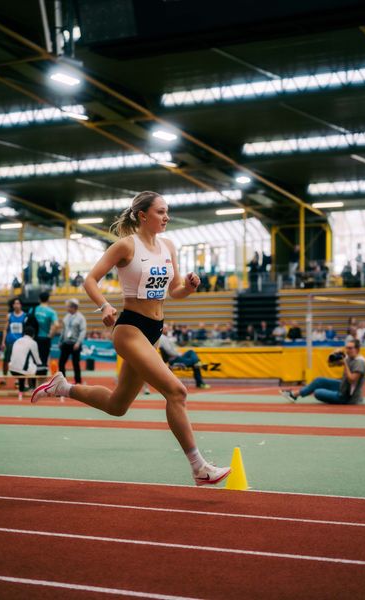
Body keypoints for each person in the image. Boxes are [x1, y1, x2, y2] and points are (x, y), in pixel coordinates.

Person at [31, 190, 230, 486]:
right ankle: (199, 467)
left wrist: (189, 287)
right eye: (161, 211)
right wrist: (105, 306)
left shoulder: (168, 246)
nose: (167, 217)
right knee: (177, 392)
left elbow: (174, 290)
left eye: (167, 211)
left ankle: (63, 387)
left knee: (117, 405)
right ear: (143, 215)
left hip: (154, 332)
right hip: (130, 329)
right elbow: (90, 280)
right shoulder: (126, 246)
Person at [281, 339, 365, 405]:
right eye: (347, 348)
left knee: (318, 392)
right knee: (319, 381)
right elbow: (330, 364)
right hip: (343, 387)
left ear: (357, 349)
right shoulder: (349, 357)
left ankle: (294, 395)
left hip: (348, 397)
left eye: (350, 348)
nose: (347, 350)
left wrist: (344, 363)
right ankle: (294, 395)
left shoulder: (359, 362)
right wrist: (333, 354)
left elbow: (352, 379)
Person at [159, 324, 210, 389]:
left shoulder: (166, 337)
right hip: (174, 359)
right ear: (162, 329)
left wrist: (178, 353)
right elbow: (169, 351)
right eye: (165, 328)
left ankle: (197, 362)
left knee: (190, 352)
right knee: (195, 363)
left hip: (176, 357)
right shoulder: (162, 338)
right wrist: (178, 354)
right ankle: (199, 382)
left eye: (167, 328)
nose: (167, 330)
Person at [9, 326, 47, 399]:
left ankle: (22, 389)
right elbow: (37, 360)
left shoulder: (17, 340)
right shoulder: (32, 342)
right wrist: (44, 366)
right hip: (23, 371)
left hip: (12, 370)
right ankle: (34, 388)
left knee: (26, 366)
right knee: (42, 368)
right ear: (33, 335)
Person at [58, 299, 86, 384]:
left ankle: (78, 381)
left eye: (68, 306)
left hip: (75, 344)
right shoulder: (66, 317)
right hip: (66, 343)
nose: (67, 308)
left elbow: (83, 331)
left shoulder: (81, 318)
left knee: (75, 364)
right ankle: (63, 382)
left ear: (73, 307)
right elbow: (63, 330)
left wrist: (78, 343)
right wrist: (60, 341)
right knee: (61, 363)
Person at [1, 298, 27, 378]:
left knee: (19, 362)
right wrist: (3, 341)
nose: (16, 305)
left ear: (21, 305)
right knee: (6, 361)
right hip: (10, 342)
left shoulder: (25, 316)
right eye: (15, 303)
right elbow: (5, 329)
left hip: (20, 343)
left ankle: (18, 380)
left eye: (18, 303)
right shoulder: (9, 316)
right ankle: (4, 378)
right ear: (13, 305)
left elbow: (26, 330)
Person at [34, 291, 59, 369]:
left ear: (39, 300)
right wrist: (50, 335)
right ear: (48, 300)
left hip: (34, 338)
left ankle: (33, 380)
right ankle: (42, 380)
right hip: (45, 338)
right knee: (43, 363)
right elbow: (57, 325)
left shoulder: (34, 309)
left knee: (34, 361)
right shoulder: (51, 312)